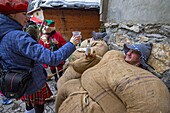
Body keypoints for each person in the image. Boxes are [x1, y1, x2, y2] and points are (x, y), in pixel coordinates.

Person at [0, 1, 80, 113]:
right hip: (32, 82)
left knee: (28, 104)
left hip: (19, 82)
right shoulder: (17, 37)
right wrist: (72, 43)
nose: (27, 18)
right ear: (12, 14)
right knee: (38, 106)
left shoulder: (4, 34)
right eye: (24, 13)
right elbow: (53, 59)